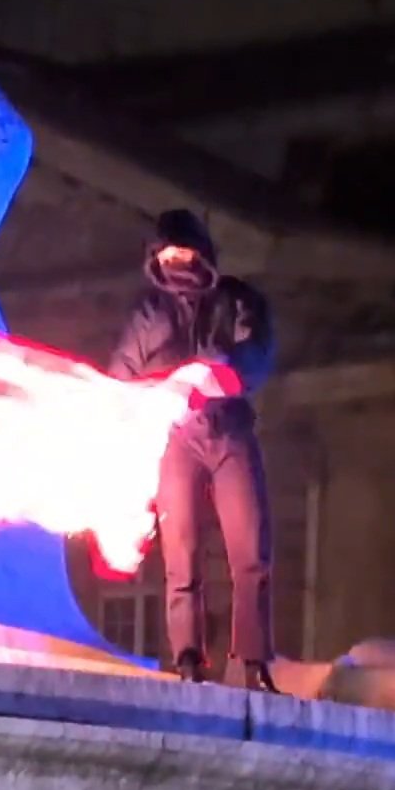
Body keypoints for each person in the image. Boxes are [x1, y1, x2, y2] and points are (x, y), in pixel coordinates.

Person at [107, 209, 279, 693]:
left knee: (251, 549)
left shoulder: (236, 300)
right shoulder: (150, 313)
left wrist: (219, 368)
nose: (177, 263)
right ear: (154, 259)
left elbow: (258, 352)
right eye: (168, 255)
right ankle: (187, 659)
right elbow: (120, 374)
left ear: (202, 255)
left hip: (229, 432)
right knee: (180, 553)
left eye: (184, 253)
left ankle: (252, 663)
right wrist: (142, 400)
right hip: (175, 441)